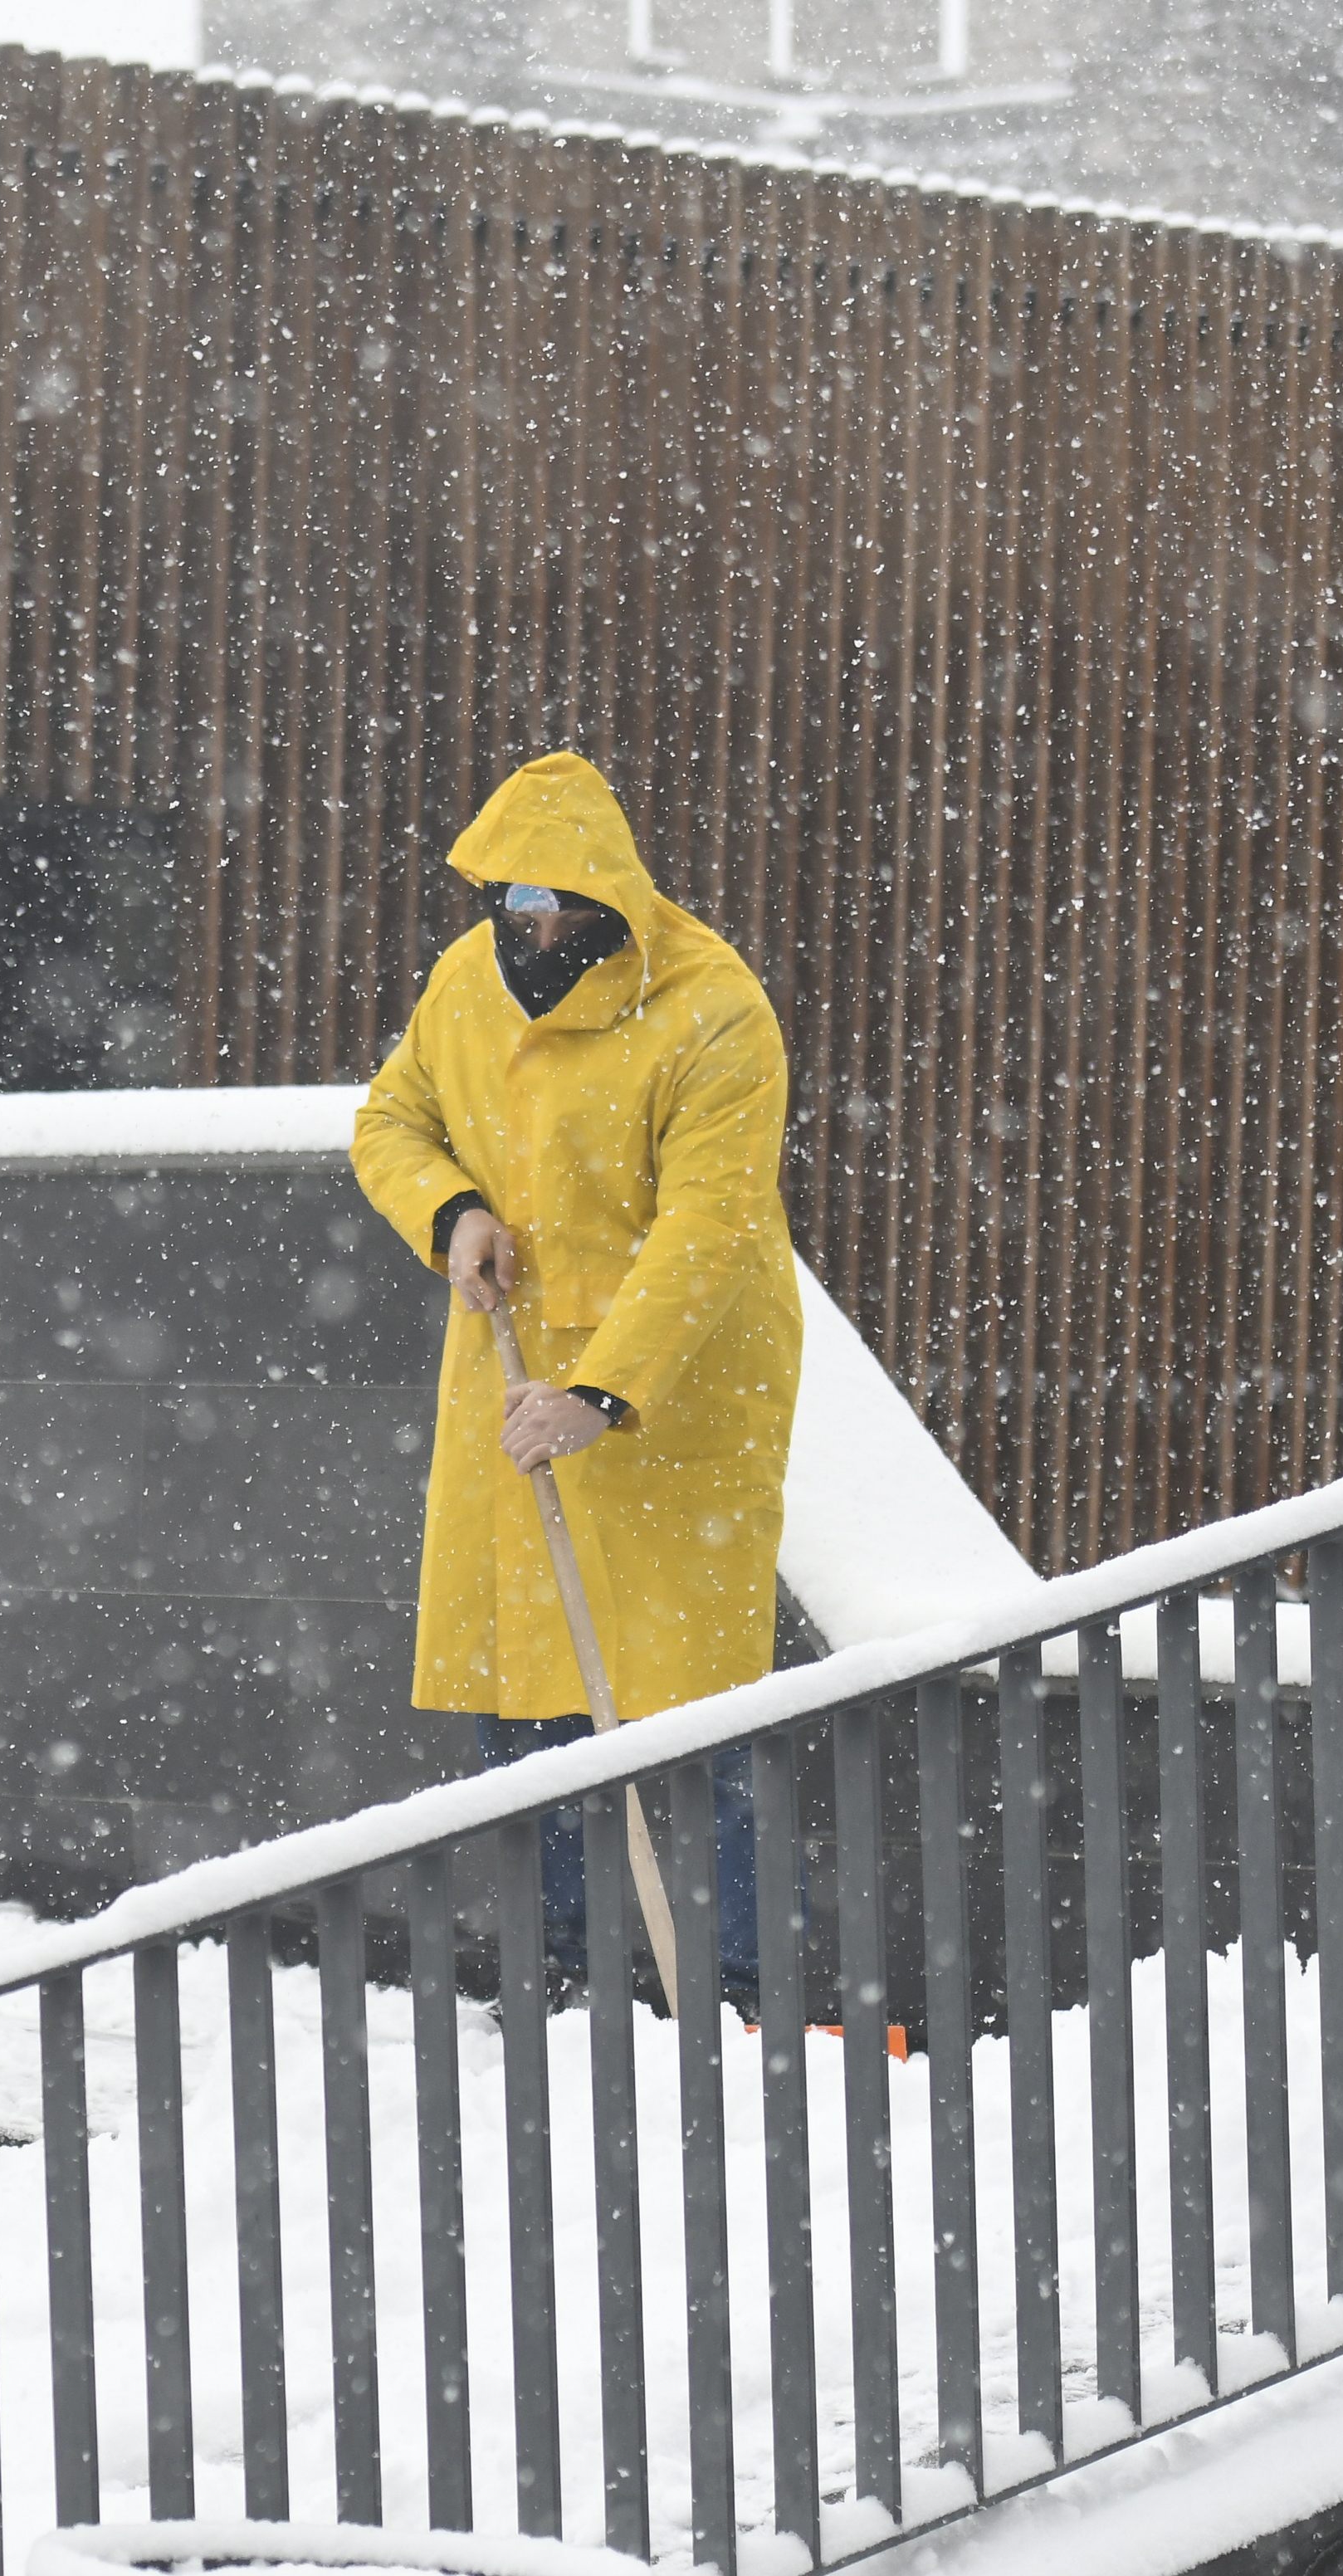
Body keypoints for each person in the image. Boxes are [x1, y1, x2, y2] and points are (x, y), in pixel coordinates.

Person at [345, 750, 799, 2006]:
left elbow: (709, 1229)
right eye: (511, 904)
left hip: (673, 1406)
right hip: (509, 1380)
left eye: (554, 908)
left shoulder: (714, 1011)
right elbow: (390, 1121)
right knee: (526, 1701)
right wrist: (451, 1212)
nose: (529, 930)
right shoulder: (467, 985)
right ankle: (557, 1971)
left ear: (608, 901)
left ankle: (732, 1987)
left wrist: (602, 1393)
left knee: (691, 1711)